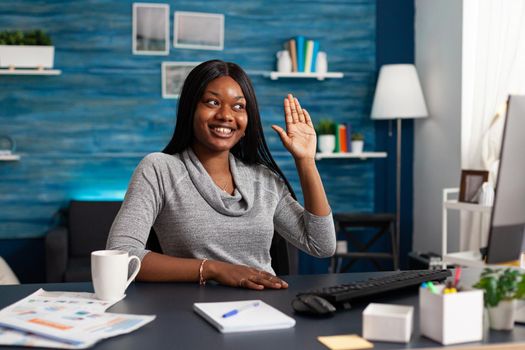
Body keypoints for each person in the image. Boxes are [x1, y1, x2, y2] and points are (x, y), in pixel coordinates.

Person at [107, 60, 336, 290]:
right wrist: (214, 269)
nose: (226, 115)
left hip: (266, 308)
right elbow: (120, 255)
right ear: (191, 109)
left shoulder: (263, 179)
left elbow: (321, 245)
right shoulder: (159, 169)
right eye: (213, 102)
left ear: (247, 120)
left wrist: (305, 161)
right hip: (190, 311)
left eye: (238, 106)